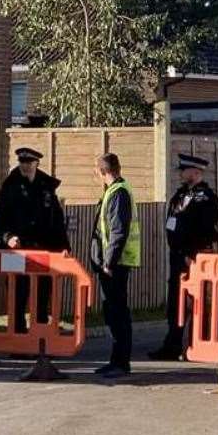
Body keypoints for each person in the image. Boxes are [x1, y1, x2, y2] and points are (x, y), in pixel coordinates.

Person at [149, 154, 218, 361]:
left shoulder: (205, 197)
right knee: (175, 302)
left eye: (184, 170)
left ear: (196, 172)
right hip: (178, 255)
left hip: (194, 257)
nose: (181, 173)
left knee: (196, 302)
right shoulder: (182, 194)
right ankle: (172, 345)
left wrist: (192, 253)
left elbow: (205, 228)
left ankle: (200, 344)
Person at [0, 147, 70, 332]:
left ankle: (40, 340)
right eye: (22, 162)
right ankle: (18, 341)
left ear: (36, 163)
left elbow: (57, 220)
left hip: (43, 250)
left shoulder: (46, 187)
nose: (25, 166)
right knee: (17, 297)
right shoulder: (10, 186)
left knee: (42, 296)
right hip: (19, 251)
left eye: (29, 163)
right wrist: (7, 237)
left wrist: (64, 247)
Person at [90, 153, 140, 378]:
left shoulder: (118, 193)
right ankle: (116, 360)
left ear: (101, 172)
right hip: (113, 262)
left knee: (117, 313)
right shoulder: (116, 191)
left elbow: (118, 231)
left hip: (116, 264)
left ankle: (121, 362)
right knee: (113, 312)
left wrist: (109, 262)